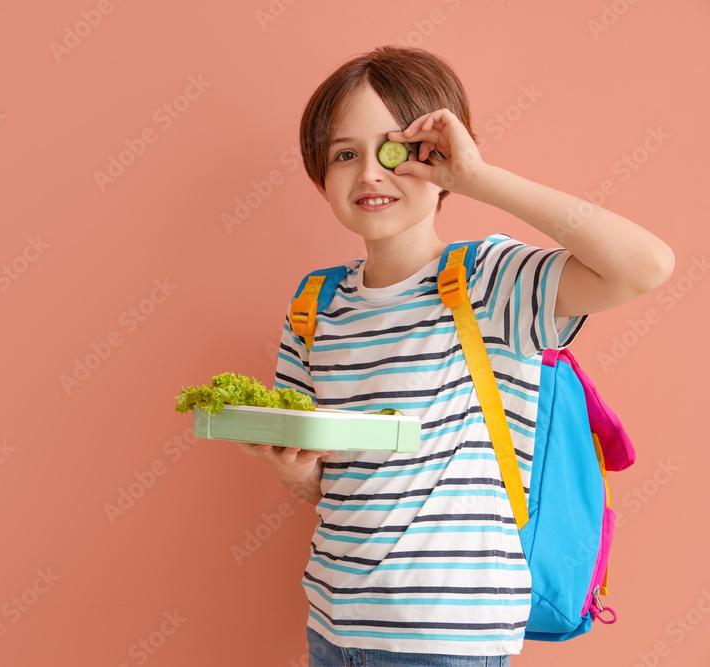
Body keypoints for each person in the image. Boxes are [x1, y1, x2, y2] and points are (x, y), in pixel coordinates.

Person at [234, 46, 674, 666]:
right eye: (343, 154)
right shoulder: (315, 305)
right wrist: (293, 472)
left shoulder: (488, 281)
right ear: (320, 175)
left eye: (394, 151)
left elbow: (645, 265)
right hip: (334, 627)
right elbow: (327, 484)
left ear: (437, 160)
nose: (369, 175)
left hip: (448, 640)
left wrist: (479, 178)